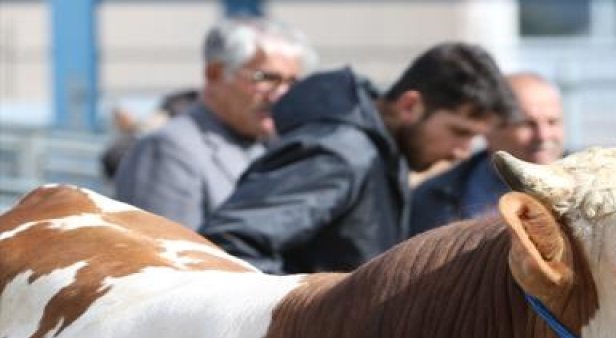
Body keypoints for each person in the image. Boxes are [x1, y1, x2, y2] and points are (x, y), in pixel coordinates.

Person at [201, 42, 516, 274]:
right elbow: (230, 243)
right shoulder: (343, 153)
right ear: (409, 106)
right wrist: (305, 329)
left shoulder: (377, 153)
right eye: (459, 132)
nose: (462, 151)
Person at [113, 17, 314, 230]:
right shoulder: (169, 150)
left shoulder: (273, 146)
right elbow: (168, 255)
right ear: (215, 73)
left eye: (292, 82)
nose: (280, 95)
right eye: (265, 78)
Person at [409, 72, 564, 235]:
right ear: (488, 128)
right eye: (527, 124)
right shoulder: (432, 200)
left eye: (553, 122)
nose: (543, 135)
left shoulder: (589, 191)